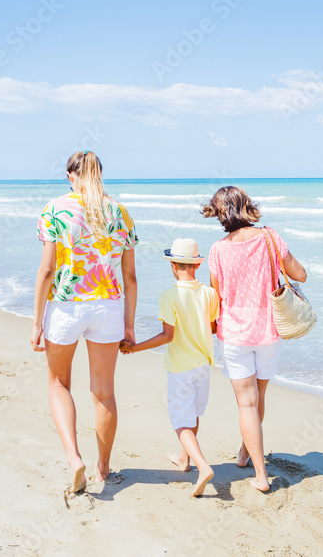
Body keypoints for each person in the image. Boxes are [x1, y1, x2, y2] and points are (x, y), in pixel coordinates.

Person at [30, 151, 138, 493]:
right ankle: (103, 467)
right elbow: (130, 276)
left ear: (69, 175)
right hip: (108, 308)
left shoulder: (55, 209)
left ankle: (74, 458)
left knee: (59, 384)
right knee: (104, 392)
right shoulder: (119, 211)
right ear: (100, 174)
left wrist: (36, 321)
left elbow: (47, 270)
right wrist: (130, 324)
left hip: (65, 307)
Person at [202, 186, 307, 492]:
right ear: (246, 206)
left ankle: (260, 474)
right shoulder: (270, 237)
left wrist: (208, 327)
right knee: (259, 398)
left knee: (246, 405)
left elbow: (216, 297)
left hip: (234, 334)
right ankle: (245, 452)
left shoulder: (218, 250)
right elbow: (299, 274)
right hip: (268, 332)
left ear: (220, 213)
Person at [119, 238, 219, 497]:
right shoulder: (210, 293)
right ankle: (185, 459)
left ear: (173, 265)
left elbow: (167, 336)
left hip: (180, 366)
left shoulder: (169, 295)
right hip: (204, 364)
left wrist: (133, 347)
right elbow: (213, 328)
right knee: (193, 414)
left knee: (180, 421)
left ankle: (202, 465)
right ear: (196, 265)